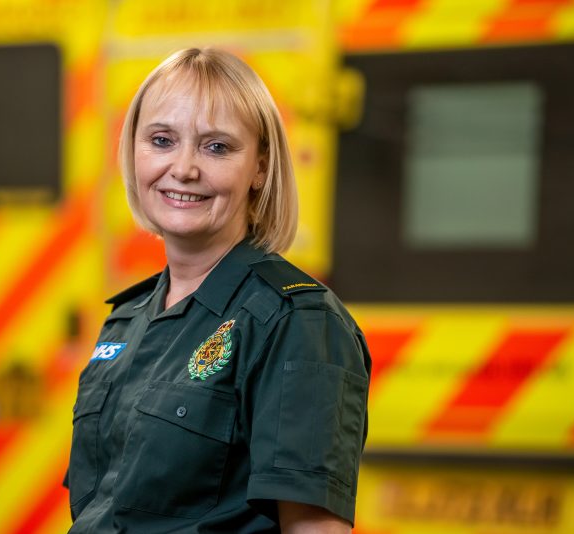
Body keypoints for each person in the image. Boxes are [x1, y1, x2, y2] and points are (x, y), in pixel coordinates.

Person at [66, 47, 372, 533]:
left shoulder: (298, 322)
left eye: (217, 147)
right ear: (133, 154)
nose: (184, 168)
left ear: (260, 170)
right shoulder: (129, 319)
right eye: (162, 140)